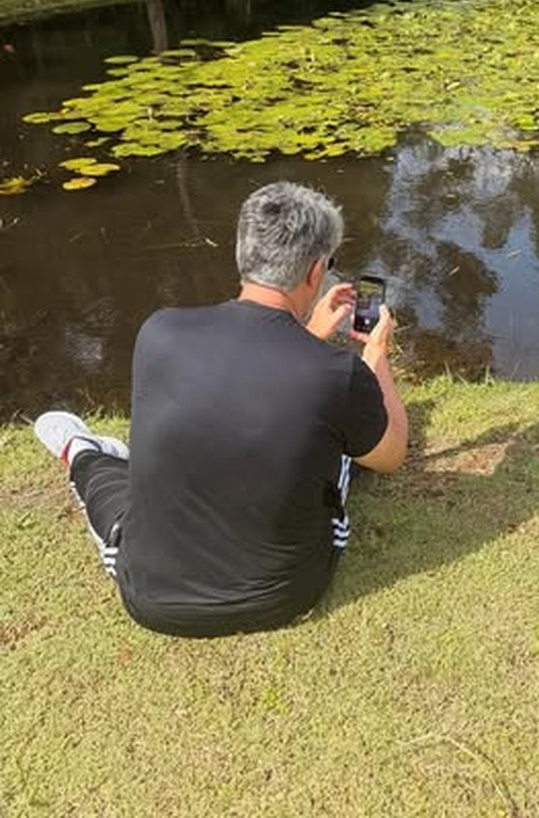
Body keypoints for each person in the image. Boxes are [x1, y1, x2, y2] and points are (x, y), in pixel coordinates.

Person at [33, 181, 407, 638]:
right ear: (314, 272)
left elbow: (242, 376)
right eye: (327, 264)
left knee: (110, 487)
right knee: (340, 450)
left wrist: (308, 336)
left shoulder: (160, 332)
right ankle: (83, 451)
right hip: (281, 595)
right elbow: (390, 455)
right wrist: (376, 356)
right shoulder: (336, 373)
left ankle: (80, 450)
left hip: (154, 599)